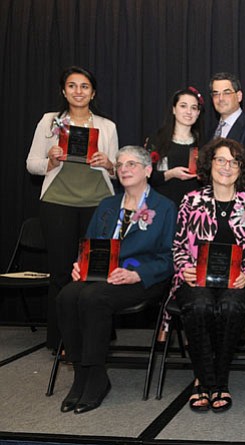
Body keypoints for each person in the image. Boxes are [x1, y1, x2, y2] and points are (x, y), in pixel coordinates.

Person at [56, 145, 176, 414]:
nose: (123, 169)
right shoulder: (107, 205)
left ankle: (96, 375)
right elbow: (87, 246)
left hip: (142, 279)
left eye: (132, 164)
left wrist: (136, 274)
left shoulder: (165, 207)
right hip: (100, 275)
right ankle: (81, 373)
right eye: (120, 164)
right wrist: (80, 266)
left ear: (147, 170)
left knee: (93, 297)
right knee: (67, 294)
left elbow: (170, 257)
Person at [170, 138, 245, 413]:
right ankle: (208, 381)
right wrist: (184, 269)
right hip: (196, 278)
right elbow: (179, 245)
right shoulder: (191, 200)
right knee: (200, 305)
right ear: (209, 164)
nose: (227, 167)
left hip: (241, 279)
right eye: (220, 160)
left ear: (241, 168)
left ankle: (216, 380)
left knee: (230, 306)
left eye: (234, 161)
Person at [26, 66, 119, 350]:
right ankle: (60, 339)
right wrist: (50, 161)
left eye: (84, 86)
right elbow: (31, 164)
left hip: (98, 204)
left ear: (93, 93)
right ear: (63, 91)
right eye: (72, 86)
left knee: (97, 273)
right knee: (62, 273)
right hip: (58, 203)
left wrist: (108, 164)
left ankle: (97, 336)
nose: (78, 91)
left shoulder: (107, 126)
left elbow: (117, 171)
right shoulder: (49, 122)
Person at [145, 86, 205, 205]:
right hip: (162, 205)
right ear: (173, 109)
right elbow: (147, 176)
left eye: (193, 108)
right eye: (183, 106)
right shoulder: (157, 140)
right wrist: (171, 174)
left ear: (198, 113)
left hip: (193, 207)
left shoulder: (203, 143)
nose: (189, 112)